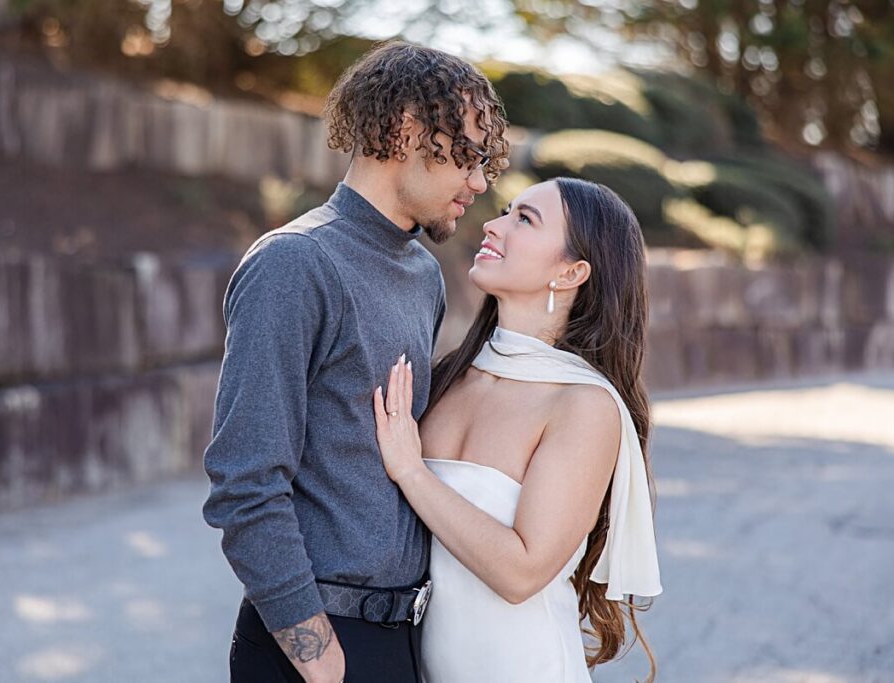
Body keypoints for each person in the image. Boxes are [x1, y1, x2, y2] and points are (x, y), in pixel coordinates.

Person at [202, 40, 509, 683]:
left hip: (405, 641)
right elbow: (245, 480)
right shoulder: (294, 264)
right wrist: (318, 656)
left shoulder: (423, 273)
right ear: (406, 130)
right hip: (317, 648)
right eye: (471, 155)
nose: (480, 181)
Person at [373, 177, 663, 682]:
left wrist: (411, 472)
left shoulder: (583, 406)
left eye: (524, 219)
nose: (492, 224)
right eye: (506, 211)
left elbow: (520, 573)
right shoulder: (448, 378)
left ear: (571, 272)